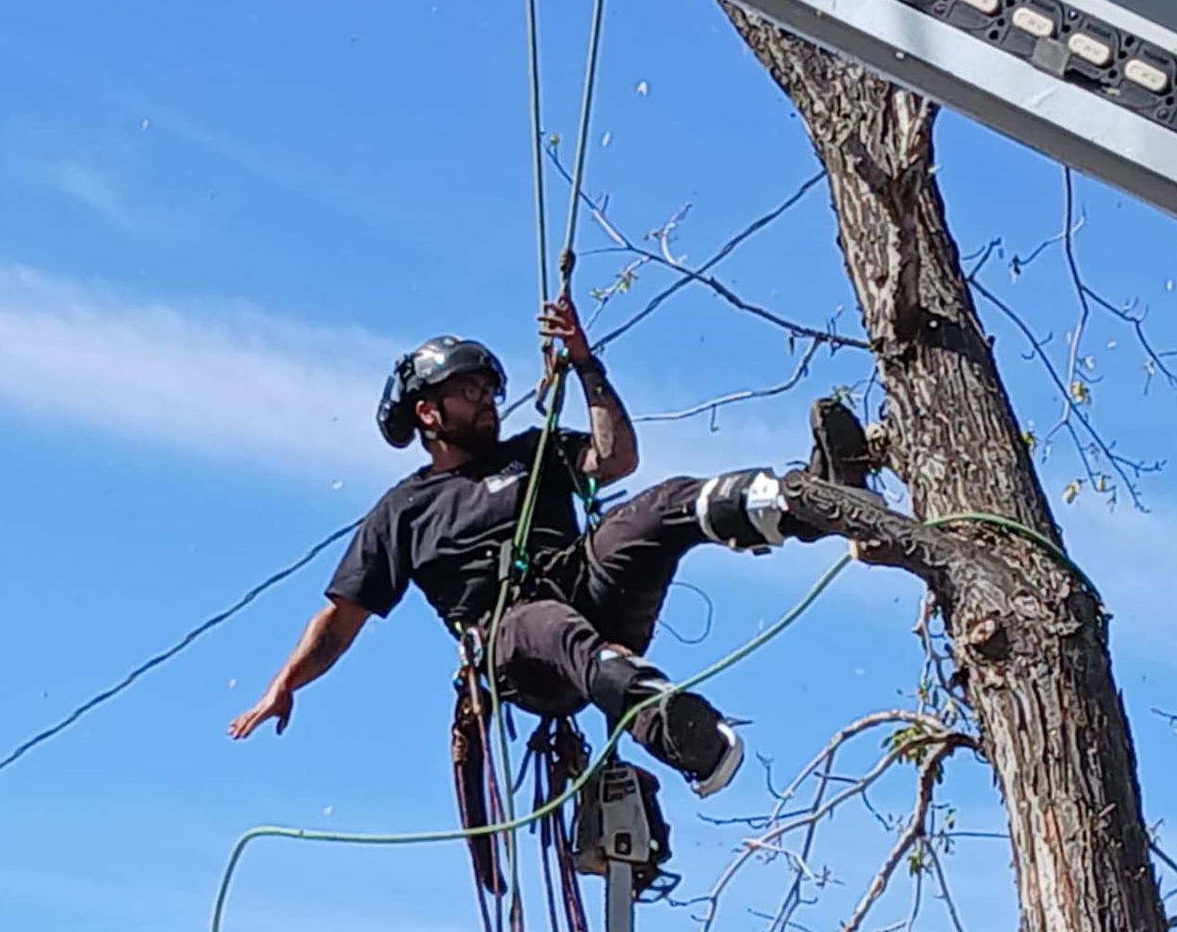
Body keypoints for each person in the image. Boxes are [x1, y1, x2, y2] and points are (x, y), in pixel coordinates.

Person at [229, 293, 868, 802]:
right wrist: (287, 683)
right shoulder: (404, 510)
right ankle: (681, 738)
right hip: (515, 644)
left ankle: (810, 502)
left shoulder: (531, 452)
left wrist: (586, 364)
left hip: (587, 586)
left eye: (490, 389)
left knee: (659, 505)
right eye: (469, 389)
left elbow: (616, 458)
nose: (487, 400)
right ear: (428, 412)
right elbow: (341, 619)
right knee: (548, 624)